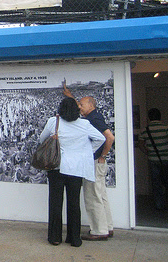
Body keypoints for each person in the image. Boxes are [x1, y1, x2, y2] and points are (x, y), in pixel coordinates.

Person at [39, 97, 105, 247]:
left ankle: (55, 237)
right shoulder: (84, 124)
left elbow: (41, 139)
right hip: (76, 169)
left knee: (55, 203)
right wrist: (86, 152)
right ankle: (74, 238)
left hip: (57, 167)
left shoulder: (53, 122)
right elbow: (100, 138)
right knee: (74, 203)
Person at [63, 85, 115, 240]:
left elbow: (109, 138)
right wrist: (70, 96)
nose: (79, 107)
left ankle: (99, 231)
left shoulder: (95, 118)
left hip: (95, 163)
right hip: (96, 162)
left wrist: (102, 156)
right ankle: (107, 227)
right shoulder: (91, 117)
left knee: (93, 196)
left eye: (82, 104)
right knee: (100, 195)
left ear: (91, 105)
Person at [138, 108, 168, 210]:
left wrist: (148, 152)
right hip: (167, 158)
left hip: (153, 159)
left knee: (156, 182)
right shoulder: (166, 128)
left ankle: (159, 204)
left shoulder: (145, 130)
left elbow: (140, 145)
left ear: (149, 118)